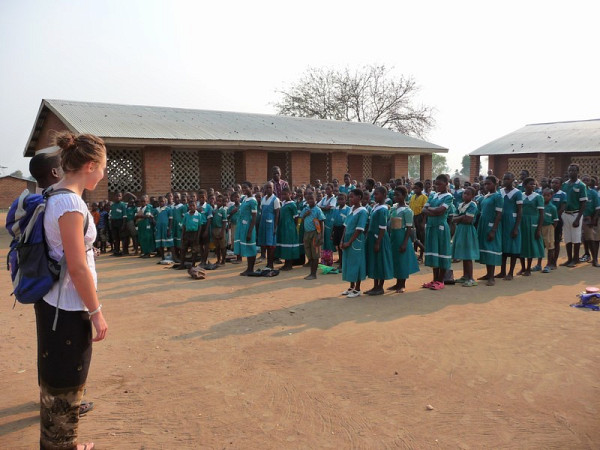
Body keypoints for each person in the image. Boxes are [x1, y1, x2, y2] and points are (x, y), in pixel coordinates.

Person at [36, 131, 108, 450]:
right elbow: (77, 268)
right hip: (66, 308)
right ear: (90, 165)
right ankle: (63, 446)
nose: (104, 174)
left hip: (54, 302)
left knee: (57, 375)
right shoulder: (69, 202)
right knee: (67, 379)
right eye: (103, 167)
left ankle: (63, 444)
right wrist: (97, 313)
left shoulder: (54, 194)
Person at [422, 175, 453, 290]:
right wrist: (434, 211)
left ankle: (441, 280)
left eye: (439, 184)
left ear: (446, 183)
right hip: (431, 226)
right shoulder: (433, 195)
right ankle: (435, 279)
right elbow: (423, 209)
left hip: (441, 227)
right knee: (434, 252)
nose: (437, 186)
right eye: (436, 184)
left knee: (442, 251)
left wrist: (431, 210)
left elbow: (441, 211)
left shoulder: (449, 196)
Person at [388, 186, 420, 293]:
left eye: (398, 195)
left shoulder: (407, 210)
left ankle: (402, 284)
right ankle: (397, 283)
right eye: (394, 195)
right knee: (396, 259)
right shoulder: (394, 207)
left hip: (402, 235)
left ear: (404, 196)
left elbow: (409, 227)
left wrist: (405, 242)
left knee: (402, 260)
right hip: (393, 235)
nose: (395, 197)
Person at [365, 186, 394, 295]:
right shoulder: (376, 206)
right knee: (375, 262)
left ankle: (380, 287)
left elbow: (383, 227)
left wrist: (378, 242)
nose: (374, 196)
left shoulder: (383, 209)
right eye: (374, 194)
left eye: (377, 194)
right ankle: (375, 286)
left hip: (379, 238)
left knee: (380, 261)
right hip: (373, 237)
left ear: (384, 195)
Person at [341, 189, 368, 298]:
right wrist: (342, 240)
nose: (350, 199)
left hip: (356, 241)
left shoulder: (362, 211)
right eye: (349, 197)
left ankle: (357, 288)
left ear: (359, 198)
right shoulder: (351, 209)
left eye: (352, 197)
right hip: (347, 239)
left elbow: (359, 229)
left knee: (356, 263)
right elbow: (346, 226)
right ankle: (351, 286)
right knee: (348, 263)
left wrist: (349, 242)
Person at [476, 175, 503, 286]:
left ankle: (492, 277)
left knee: (491, 248)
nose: (486, 186)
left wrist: (493, 229)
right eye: (485, 184)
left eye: (489, 183)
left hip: (491, 225)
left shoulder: (498, 197)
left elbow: (499, 214)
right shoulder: (485, 196)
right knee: (485, 248)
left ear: (495, 184)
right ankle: (488, 274)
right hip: (483, 225)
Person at [496, 173, 523, 280]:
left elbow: (520, 211)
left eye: (508, 179)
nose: (505, 181)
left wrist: (516, 227)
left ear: (513, 180)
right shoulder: (500, 191)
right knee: (503, 248)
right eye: (504, 179)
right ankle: (502, 271)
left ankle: (510, 272)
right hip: (502, 221)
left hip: (512, 222)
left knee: (512, 248)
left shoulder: (517, 193)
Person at [560, 164, 588, 267]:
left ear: (577, 172)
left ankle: (576, 259)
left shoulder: (581, 185)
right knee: (567, 237)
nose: (571, 172)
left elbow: (583, 204)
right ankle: (569, 259)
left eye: (573, 170)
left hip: (576, 214)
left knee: (576, 238)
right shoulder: (565, 185)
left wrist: (578, 218)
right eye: (569, 170)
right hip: (565, 214)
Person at [452, 186, 480, 286]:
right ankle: (465, 276)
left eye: (468, 194)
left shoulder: (473, 205)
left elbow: (469, 220)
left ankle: (471, 278)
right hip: (460, 230)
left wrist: (461, 217)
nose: (465, 195)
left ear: (473, 196)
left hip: (468, 230)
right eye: (464, 193)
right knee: (464, 254)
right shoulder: (460, 205)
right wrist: (463, 216)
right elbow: (453, 219)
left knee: (468, 255)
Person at [519, 177, 545, 275]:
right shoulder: (520, 195)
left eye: (534, 184)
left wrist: (538, 229)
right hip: (521, 222)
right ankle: (522, 268)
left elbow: (541, 214)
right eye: (530, 184)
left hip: (532, 223)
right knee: (521, 245)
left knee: (530, 245)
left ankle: (528, 269)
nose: (533, 186)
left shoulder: (538, 197)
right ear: (525, 185)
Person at [235, 182, 258, 276]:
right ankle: (248, 268)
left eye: (246, 188)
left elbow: (254, 217)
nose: (243, 189)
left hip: (249, 227)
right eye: (243, 188)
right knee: (247, 247)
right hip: (242, 226)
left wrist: (250, 231)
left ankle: (251, 269)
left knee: (251, 247)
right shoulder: (244, 199)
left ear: (251, 188)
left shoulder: (253, 201)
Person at [301, 191, 325, 280]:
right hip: (307, 233)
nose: (310, 200)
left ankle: (313, 274)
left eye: (312, 199)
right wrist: (304, 215)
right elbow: (301, 219)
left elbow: (321, 223)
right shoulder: (305, 209)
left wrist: (321, 236)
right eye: (308, 199)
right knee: (309, 253)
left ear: (316, 199)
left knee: (315, 254)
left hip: (315, 233)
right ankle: (311, 272)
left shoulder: (318, 210)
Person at [275, 187, 300, 271]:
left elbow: (296, 218)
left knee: (289, 245)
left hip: (289, 228)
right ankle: (286, 264)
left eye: (285, 194)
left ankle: (289, 265)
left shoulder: (292, 205)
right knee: (284, 245)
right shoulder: (283, 203)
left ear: (290, 194)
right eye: (282, 194)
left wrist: (292, 227)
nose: (283, 196)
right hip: (282, 227)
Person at [257, 182, 280, 270]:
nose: (268, 189)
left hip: (271, 224)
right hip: (263, 223)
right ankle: (267, 263)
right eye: (267, 188)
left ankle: (271, 264)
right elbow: (262, 211)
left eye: (270, 187)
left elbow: (277, 214)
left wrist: (275, 227)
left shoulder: (275, 199)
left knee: (271, 244)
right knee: (265, 244)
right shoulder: (263, 199)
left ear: (273, 188)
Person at [176, 199, 204, 269]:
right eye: (190, 206)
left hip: (195, 233)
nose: (192, 207)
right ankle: (181, 264)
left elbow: (200, 226)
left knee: (194, 250)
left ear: (196, 206)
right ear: (188, 207)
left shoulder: (199, 215)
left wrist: (198, 236)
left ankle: (193, 264)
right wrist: (182, 236)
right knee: (183, 249)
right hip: (187, 234)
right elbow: (184, 226)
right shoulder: (186, 215)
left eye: (193, 206)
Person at [581, 175, 599, 267]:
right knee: (583, 239)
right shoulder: (579, 192)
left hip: (589, 219)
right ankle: (586, 255)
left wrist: (594, 219)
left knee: (591, 239)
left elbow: (597, 208)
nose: (585, 181)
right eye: (583, 180)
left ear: (590, 182)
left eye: (587, 180)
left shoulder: (593, 193)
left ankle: (595, 260)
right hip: (579, 218)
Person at [317, 183, 337, 266]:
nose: (327, 190)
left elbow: (328, 208)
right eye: (326, 189)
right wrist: (324, 207)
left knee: (328, 240)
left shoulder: (334, 199)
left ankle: (329, 260)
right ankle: (324, 260)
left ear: (332, 190)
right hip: (323, 220)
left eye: (329, 189)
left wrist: (323, 207)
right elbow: (318, 206)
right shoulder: (325, 198)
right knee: (323, 239)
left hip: (329, 220)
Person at [550, 177, 567, 269]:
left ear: (560, 185)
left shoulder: (563, 194)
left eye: (556, 183)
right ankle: (548, 261)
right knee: (548, 241)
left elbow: (562, 208)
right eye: (553, 182)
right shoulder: (548, 193)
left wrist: (554, 218)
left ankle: (554, 262)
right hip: (547, 222)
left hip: (557, 221)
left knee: (556, 241)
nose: (554, 184)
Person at [541, 188, 559, 273]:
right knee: (541, 246)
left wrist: (551, 228)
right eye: (544, 195)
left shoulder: (552, 207)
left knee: (550, 246)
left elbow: (555, 221)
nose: (545, 197)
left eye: (548, 195)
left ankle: (549, 264)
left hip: (549, 227)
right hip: (540, 227)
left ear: (551, 196)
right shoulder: (540, 205)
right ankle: (538, 264)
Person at [331, 193, 351, 269]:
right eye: (339, 199)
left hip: (344, 229)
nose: (340, 201)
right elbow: (333, 222)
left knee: (343, 246)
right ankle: (340, 260)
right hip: (336, 229)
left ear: (346, 200)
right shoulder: (335, 209)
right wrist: (332, 233)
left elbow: (347, 222)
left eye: (342, 199)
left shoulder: (348, 209)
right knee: (338, 247)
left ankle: (343, 263)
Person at [211, 194, 229, 265]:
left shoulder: (223, 210)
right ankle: (218, 260)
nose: (218, 202)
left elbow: (224, 222)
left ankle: (223, 260)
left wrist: (222, 232)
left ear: (222, 202)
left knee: (223, 246)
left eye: (220, 201)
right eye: (217, 201)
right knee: (217, 246)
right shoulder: (214, 210)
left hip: (220, 229)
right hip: (214, 229)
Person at [171, 192, 188, 263]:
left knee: (180, 242)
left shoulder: (183, 207)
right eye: (175, 197)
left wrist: (182, 225)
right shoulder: (171, 207)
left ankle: (182, 257)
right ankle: (175, 256)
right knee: (173, 242)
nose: (176, 199)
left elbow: (184, 217)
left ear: (180, 198)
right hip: (173, 227)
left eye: (178, 197)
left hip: (179, 227)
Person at [227, 192, 242, 264]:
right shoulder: (231, 208)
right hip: (233, 225)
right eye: (235, 197)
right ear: (232, 198)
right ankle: (237, 257)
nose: (236, 199)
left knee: (239, 240)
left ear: (240, 198)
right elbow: (227, 217)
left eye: (238, 197)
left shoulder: (242, 206)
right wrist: (232, 213)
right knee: (234, 240)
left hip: (240, 226)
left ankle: (240, 258)